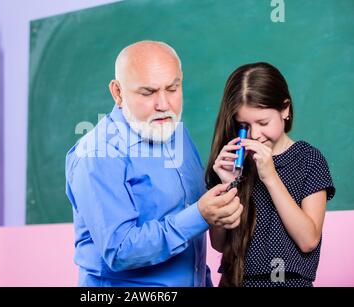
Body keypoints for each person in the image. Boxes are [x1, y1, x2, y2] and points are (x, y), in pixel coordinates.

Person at [65, 41, 243, 287]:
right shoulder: (97, 154)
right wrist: (200, 215)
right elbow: (120, 250)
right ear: (117, 92)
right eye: (148, 92)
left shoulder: (177, 133)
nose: (163, 105)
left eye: (173, 88)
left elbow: (192, 237)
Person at [207, 62, 336, 287]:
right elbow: (218, 244)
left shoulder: (309, 160)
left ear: (285, 109)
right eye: (244, 125)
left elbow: (308, 241)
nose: (255, 134)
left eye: (263, 122)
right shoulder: (234, 162)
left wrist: (270, 177)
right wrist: (225, 188)